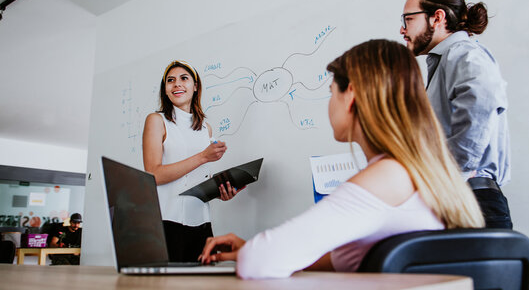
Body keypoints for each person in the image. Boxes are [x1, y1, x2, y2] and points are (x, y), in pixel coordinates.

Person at [199, 39, 484, 279]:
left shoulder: (388, 176)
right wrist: (249, 247)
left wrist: (252, 252)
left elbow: (257, 262)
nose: (330, 103)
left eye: (331, 92)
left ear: (351, 96)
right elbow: (343, 259)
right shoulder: (421, 172)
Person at [399, 0, 512, 229]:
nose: (402, 29)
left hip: (471, 200)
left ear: (436, 18)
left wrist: (448, 171)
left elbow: (482, 103)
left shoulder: (463, 54)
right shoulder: (448, 59)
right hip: (460, 198)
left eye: (408, 19)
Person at [142, 60, 239, 262]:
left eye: (184, 78)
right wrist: (203, 156)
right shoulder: (157, 120)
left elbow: (194, 180)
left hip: (202, 226)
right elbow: (153, 174)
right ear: (165, 90)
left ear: (195, 87)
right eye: (170, 80)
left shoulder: (206, 129)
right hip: (166, 224)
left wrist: (219, 192)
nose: (177, 84)